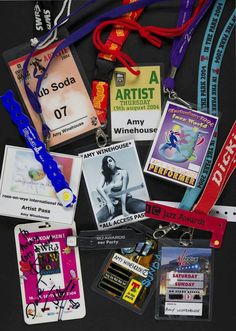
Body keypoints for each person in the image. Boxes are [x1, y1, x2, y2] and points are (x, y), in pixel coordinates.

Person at [96, 155, 145, 223]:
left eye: (110, 161)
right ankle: (116, 212)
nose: (109, 163)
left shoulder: (123, 173)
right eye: (106, 163)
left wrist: (124, 209)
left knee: (144, 207)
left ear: (114, 161)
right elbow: (98, 188)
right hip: (112, 203)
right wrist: (109, 202)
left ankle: (125, 210)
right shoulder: (104, 174)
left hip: (125, 200)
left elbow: (123, 191)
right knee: (98, 217)